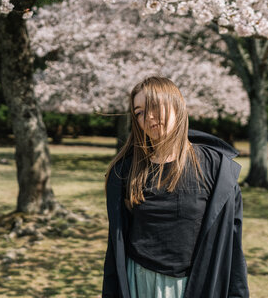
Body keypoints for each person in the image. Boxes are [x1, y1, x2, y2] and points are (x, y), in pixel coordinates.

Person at [102, 76, 249, 298]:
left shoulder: (216, 169)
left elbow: (232, 243)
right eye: (139, 112)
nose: (148, 117)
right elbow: (116, 247)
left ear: (176, 104)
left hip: (196, 285)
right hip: (139, 283)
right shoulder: (126, 171)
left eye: (153, 106)